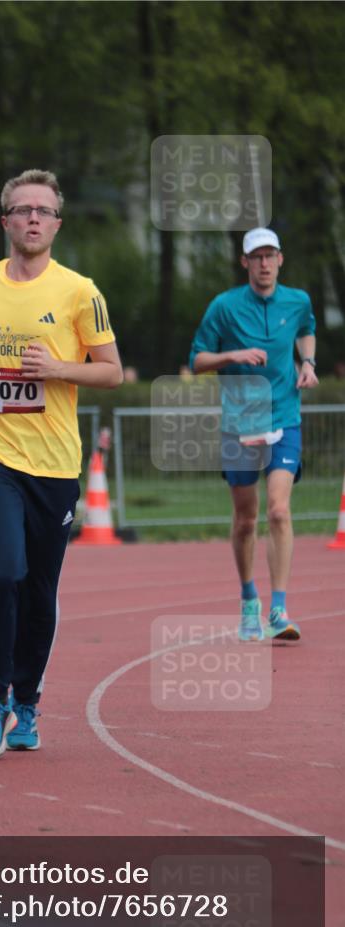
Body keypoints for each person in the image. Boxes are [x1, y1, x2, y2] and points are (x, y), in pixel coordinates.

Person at [0, 168, 123, 757]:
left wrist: (60, 369)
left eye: (43, 211)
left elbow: (112, 370)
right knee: (1, 572)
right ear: (6, 221)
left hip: (54, 462)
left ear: (57, 223)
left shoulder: (79, 291)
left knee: (40, 587)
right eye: (23, 210)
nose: (33, 219)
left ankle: (27, 702)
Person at [189, 227, 318, 641]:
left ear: (281, 259)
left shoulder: (298, 301)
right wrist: (232, 355)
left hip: (285, 417)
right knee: (246, 519)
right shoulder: (224, 307)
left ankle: (279, 610)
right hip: (240, 425)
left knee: (279, 511)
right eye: (256, 257)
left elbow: (307, 329)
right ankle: (250, 601)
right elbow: (197, 361)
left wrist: (309, 362)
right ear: (245, 262)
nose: (264, 264)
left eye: (270, 255)